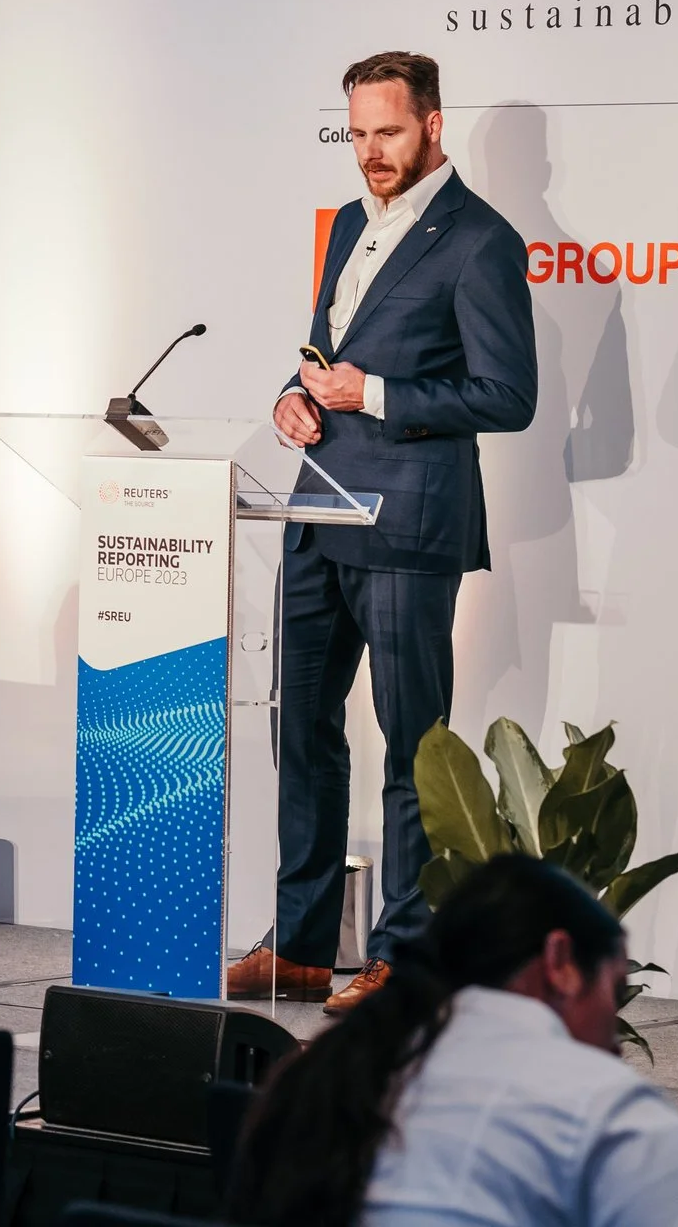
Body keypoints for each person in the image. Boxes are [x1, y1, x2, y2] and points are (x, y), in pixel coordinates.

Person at [227, 51, 537, 1013]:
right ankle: (306, 948)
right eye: (357, 135)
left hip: (407, 526)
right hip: (316, 512)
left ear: (434, 126)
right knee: (305, 735)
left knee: (414, 746)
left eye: (389, 134)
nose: (370, 155)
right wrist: (296, 396)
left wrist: (379, 395)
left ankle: (404, 951)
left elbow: (509, 395)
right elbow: (327, 348)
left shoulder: (481, 240)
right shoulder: (354, 225)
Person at [227, 855, 678, 1227]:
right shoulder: (607, 1110)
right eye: (611, 990)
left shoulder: (322, 1077)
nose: (615, 1041)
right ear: (560, 961)